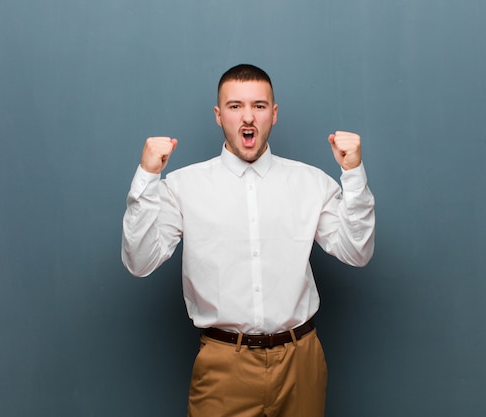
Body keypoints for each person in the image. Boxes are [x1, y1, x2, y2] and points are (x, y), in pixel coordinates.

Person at [121, 64, 375, 417]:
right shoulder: (182, 186)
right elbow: (139, 260)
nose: (248, 117)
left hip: (300, 363)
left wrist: (353, 174)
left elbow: (357, 251)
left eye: (258, 106)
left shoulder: (310, 182)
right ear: (218, 115)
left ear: (274, 113)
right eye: (235, 106)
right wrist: (147, 178)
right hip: (224, 366)